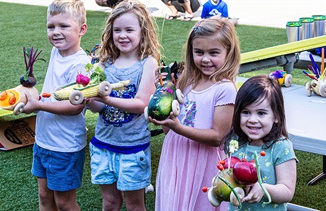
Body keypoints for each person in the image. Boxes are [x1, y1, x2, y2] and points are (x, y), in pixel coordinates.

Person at [149, 18, 241, 210]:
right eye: (199, 52)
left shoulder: (224, 89)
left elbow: (217, 137)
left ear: (228, 53)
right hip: (176, 155)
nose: (205, 59)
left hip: (203, 161)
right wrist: (163, 117)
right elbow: (169, 131)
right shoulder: (186, 82)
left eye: (214, 53)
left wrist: (178, 128)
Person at [85, 0, 160, 210]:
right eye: (117, 30)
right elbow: (101, 109)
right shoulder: (104, 63)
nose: (122, 35)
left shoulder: (148, 64)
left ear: (142, 32)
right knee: (110, 201)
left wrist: (106, 98)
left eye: (129, 29)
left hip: (132, 148)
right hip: (102, 144)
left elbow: (141, 104)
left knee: (134, 204)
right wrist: (89, 101)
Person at [22, 0, 91, 210]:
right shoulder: (56, 52)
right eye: (51, 27)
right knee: (44, 197)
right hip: (43, 140)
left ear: (82, 30)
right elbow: (50, 91)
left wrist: (39, 106)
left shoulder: (81, 64)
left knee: (64, 203)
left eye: (64, 26)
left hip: (65, 146)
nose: (56, 32)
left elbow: (75, 107)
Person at [221, 75, 298, 210]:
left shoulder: (280, 147)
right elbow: (228, 178)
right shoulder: (235, 142)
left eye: (261, 113)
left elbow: (287, 191)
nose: (252, 119)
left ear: (276, 117)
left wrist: (264, 189)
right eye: (246, 112)